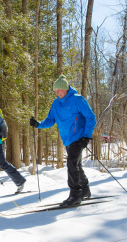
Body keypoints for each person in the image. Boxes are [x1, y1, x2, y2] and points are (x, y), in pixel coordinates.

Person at [30, 75, 96, 206]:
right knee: (76, 165)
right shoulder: (56, 104)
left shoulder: (78, 100)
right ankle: (85, 190)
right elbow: (50, 120)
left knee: (72, 164)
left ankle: (75, 195)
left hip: (79, 137)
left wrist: (86, 136)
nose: (57, 92)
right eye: (55, 90)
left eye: (59, 89)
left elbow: (91, 117)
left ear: (66, 88)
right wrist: (38, 124)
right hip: (67, 139)